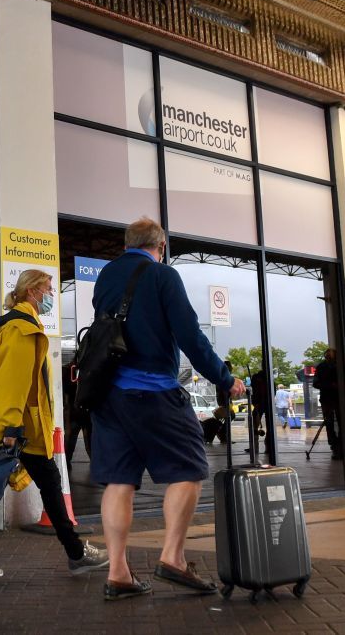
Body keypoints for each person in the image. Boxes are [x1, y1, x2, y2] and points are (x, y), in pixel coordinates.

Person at [91, 218, 244, 600]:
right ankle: (172, 557)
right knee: (191, 467)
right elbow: (190, 335)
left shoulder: (106, 276)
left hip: (109, 396)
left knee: (119, 480)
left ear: (128, 244)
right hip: (154, 390)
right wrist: (225, 379)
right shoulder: (163, 276)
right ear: (161, 245)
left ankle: (118, 572)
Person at [0, 269, 109, 581]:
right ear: (31, 291)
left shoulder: (15, 325)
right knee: (39, 488)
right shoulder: (22, 330)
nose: (51, 297)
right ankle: (75, 553)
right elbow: (15, 383)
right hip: (18, 430)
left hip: (14, 426)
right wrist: (12, 429)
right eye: (48, 290)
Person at [314, 348, 342, 460]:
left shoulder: (322, 367)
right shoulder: (327, 367)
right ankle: (336, 446)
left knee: (331, 423)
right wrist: (331, 385)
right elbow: (316, 383)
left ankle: (336, 446)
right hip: (331, 398)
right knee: (332, 423)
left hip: (328, 398)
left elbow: (316, 383)